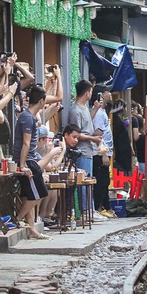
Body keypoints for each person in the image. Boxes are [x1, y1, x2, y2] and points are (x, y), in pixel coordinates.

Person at [12, 85, 51, 239]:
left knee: (28, 195)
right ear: (41, 101)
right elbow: (26, 143)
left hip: (28, 159)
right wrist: (22, 166)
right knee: (38, 193)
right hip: (28, 160)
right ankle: (17, 219)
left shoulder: (29, 116)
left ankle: (32, 229)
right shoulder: (27, 117)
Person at [67, 79, 102, 211]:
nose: (91, 94)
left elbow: (87, 123)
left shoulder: (84, 108)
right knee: (84, 181)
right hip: (81, 150)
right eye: (91, 91)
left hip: (88, 149)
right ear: (87, 93)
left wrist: (95, 109)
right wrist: (93, 139)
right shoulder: (75, 110)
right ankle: (86, 210)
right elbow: (77, 134)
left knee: (88, 181)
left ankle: (90, 209)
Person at [92, 91, 115, 218]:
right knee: (101, 180)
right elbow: (98, 134)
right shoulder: (99, 114)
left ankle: (105, 206)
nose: (110, 94)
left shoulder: (102, 113)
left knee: (105, 180)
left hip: (104, 151)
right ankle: (98, 207)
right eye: (107, 92)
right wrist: (103, 153)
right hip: (100, 152)